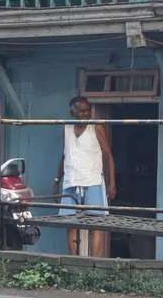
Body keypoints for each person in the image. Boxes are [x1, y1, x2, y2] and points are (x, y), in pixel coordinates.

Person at [52, 96, 116, 256]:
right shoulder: (66, 128)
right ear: (72, 112)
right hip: (70, 182)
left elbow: (109, 155)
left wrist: (112, 182)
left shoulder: (96, 128)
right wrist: (56, 181)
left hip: (92, 181)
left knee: (95, 224)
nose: (86, 114)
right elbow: (64, 155)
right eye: (82, 111)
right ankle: (74, 259)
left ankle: (93, 260)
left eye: (87, 110)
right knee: (70, 224)